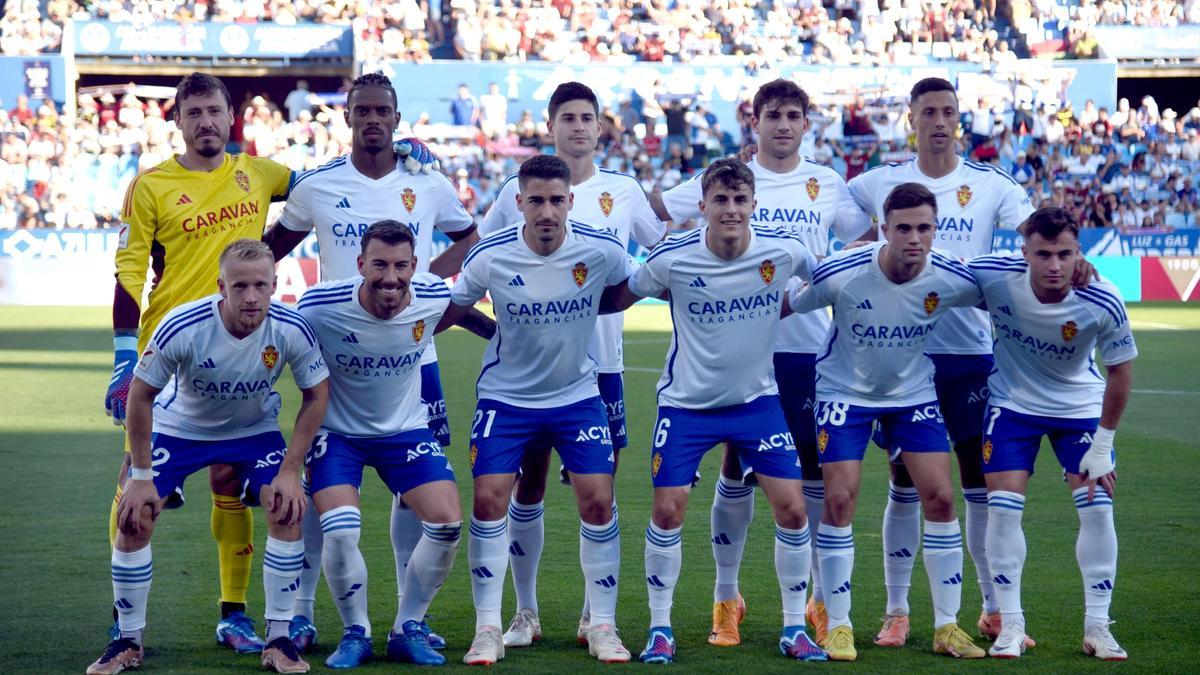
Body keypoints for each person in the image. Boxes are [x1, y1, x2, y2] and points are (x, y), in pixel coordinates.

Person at [263, 71, 478, 656]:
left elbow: (470, 236)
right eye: (364, 111)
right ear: (349, 118)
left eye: (384, 110)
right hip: (335, 349)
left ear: (398, 119)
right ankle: (306, 612)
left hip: (413, 351)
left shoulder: (426, 182)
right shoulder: (317, 186)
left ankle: (409, 619)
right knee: (326, 488)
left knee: (419, 491)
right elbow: (270, 250)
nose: (374, 120)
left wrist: (422, 280)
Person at [653, 79, 871, 649]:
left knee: (809, 481)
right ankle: (727, 598)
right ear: (755, 121)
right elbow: (656, 215)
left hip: (805, 347)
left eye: (792, 115)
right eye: (771, 114)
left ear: (806, 123)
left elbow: (864, 242)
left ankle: (816, 605)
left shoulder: (826, 182)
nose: (782, 124)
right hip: (731, 349)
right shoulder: (728, 178)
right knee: (734, 471)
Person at [104, 72, 296, 654]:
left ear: (230, 115)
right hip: (166, 349)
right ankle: (122, 620)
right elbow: (129, 270)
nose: (206, 122)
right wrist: (120, 358)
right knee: (134, 490)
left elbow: (327, 191)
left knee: (229, 479)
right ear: (179, 121)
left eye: (215, 111)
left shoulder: (260, 174)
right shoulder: (152, 185)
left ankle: (233, 613)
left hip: (237, 345)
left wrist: (398, 155)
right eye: (195, 114)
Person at [610, 158, 825, 664]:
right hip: (686, 405)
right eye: (720, 200)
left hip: (757, 403)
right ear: (702, 206)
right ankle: (660, 628)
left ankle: (795, 627)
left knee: (793, 509)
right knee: (668, 511)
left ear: (753, 204)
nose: (730, 209)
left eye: (740, 200)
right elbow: (624, 293)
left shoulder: (784, 250)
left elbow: (828, 280)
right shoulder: (672, 259)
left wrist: (794, 306)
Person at [846, 77, 1034, 648]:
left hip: (972, 353)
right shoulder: (875, 183)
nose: (938, 121)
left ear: (958, 118)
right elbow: (850, 236)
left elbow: (1036, 233)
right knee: (905, 481)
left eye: (947, 111)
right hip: (904, 354)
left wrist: (1075, 264)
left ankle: (993, 608)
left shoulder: (988, 183)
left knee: (975, 482)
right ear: (911, 117)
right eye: (928, 111)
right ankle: (897, 611)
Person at [478, 81, 665, 648]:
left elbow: (656, 259)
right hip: (526, 369)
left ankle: (593, 616)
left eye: (589, 117)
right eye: (569, 117)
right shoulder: (518, 188)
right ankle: (524, 613)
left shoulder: (623, 191)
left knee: (598, 488)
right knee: (527, 485)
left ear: (600, 126)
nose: (579, 126)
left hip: (601, 365)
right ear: (552, 125)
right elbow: (481, 258)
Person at [87, 240, 330, 675]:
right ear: (221, 286)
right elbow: (141, 396)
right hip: (182, 431)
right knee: (135, 512)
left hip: (253, 432)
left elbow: (317, 396)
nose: (251, 296)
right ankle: (127, 641)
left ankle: (278, 640)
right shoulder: (183, 325)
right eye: (240, 286)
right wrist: (141, 473)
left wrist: (292, 470)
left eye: (260, 285)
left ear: (276, 284)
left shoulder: (292, 328)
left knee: (287, 505)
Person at [444, 154, 637, 665]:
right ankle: (492, 626)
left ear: (571, 201)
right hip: (506, 398)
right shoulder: (491, 256)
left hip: (577, 395)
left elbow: (634, 287)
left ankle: (602, 624)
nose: (547, 211)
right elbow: (452, 307)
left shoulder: (600, 250)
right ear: (519, 203)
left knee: (598, 499)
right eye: (536, 201)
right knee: (489, 500)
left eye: (556, 200)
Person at [790, 183, 987, 661]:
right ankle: (838, 625)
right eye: (903, 228)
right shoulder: (842, 272)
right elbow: (783, 305)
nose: (914, 238)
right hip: (844, 394)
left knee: (940, 497)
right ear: (883, 229)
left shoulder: (951, 276)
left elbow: (1010, 288)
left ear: (936, 230)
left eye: (924, 228)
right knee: (839, 498)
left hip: (913, 395)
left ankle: (946, 626)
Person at [295, 221, 495, 667]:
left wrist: (508, 337)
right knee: (342, 530)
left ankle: (408, 626)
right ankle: (356, 631)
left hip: (405, 430)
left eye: (401, 266)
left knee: (445, 523)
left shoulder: (431, 295)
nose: (390, 277)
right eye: (379, 265)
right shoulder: (319, 305)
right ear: (361, 264)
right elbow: (281, 343)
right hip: (339, 435)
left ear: (415, 266)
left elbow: (467, 316)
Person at [968, 207, 1135, 660]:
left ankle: (1098, 628)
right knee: (1002, 510)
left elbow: (1120, 373)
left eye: (1065, 253)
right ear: (1025, 253)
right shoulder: (995, 276)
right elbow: (938, 269)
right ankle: (1011, 626)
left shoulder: (1102, 297)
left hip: (1080, 408)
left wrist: (1103, 446)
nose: (1055, 265)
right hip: (1013, 404)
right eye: (1043, 254)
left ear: (1079, 252)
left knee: (1098, 507)